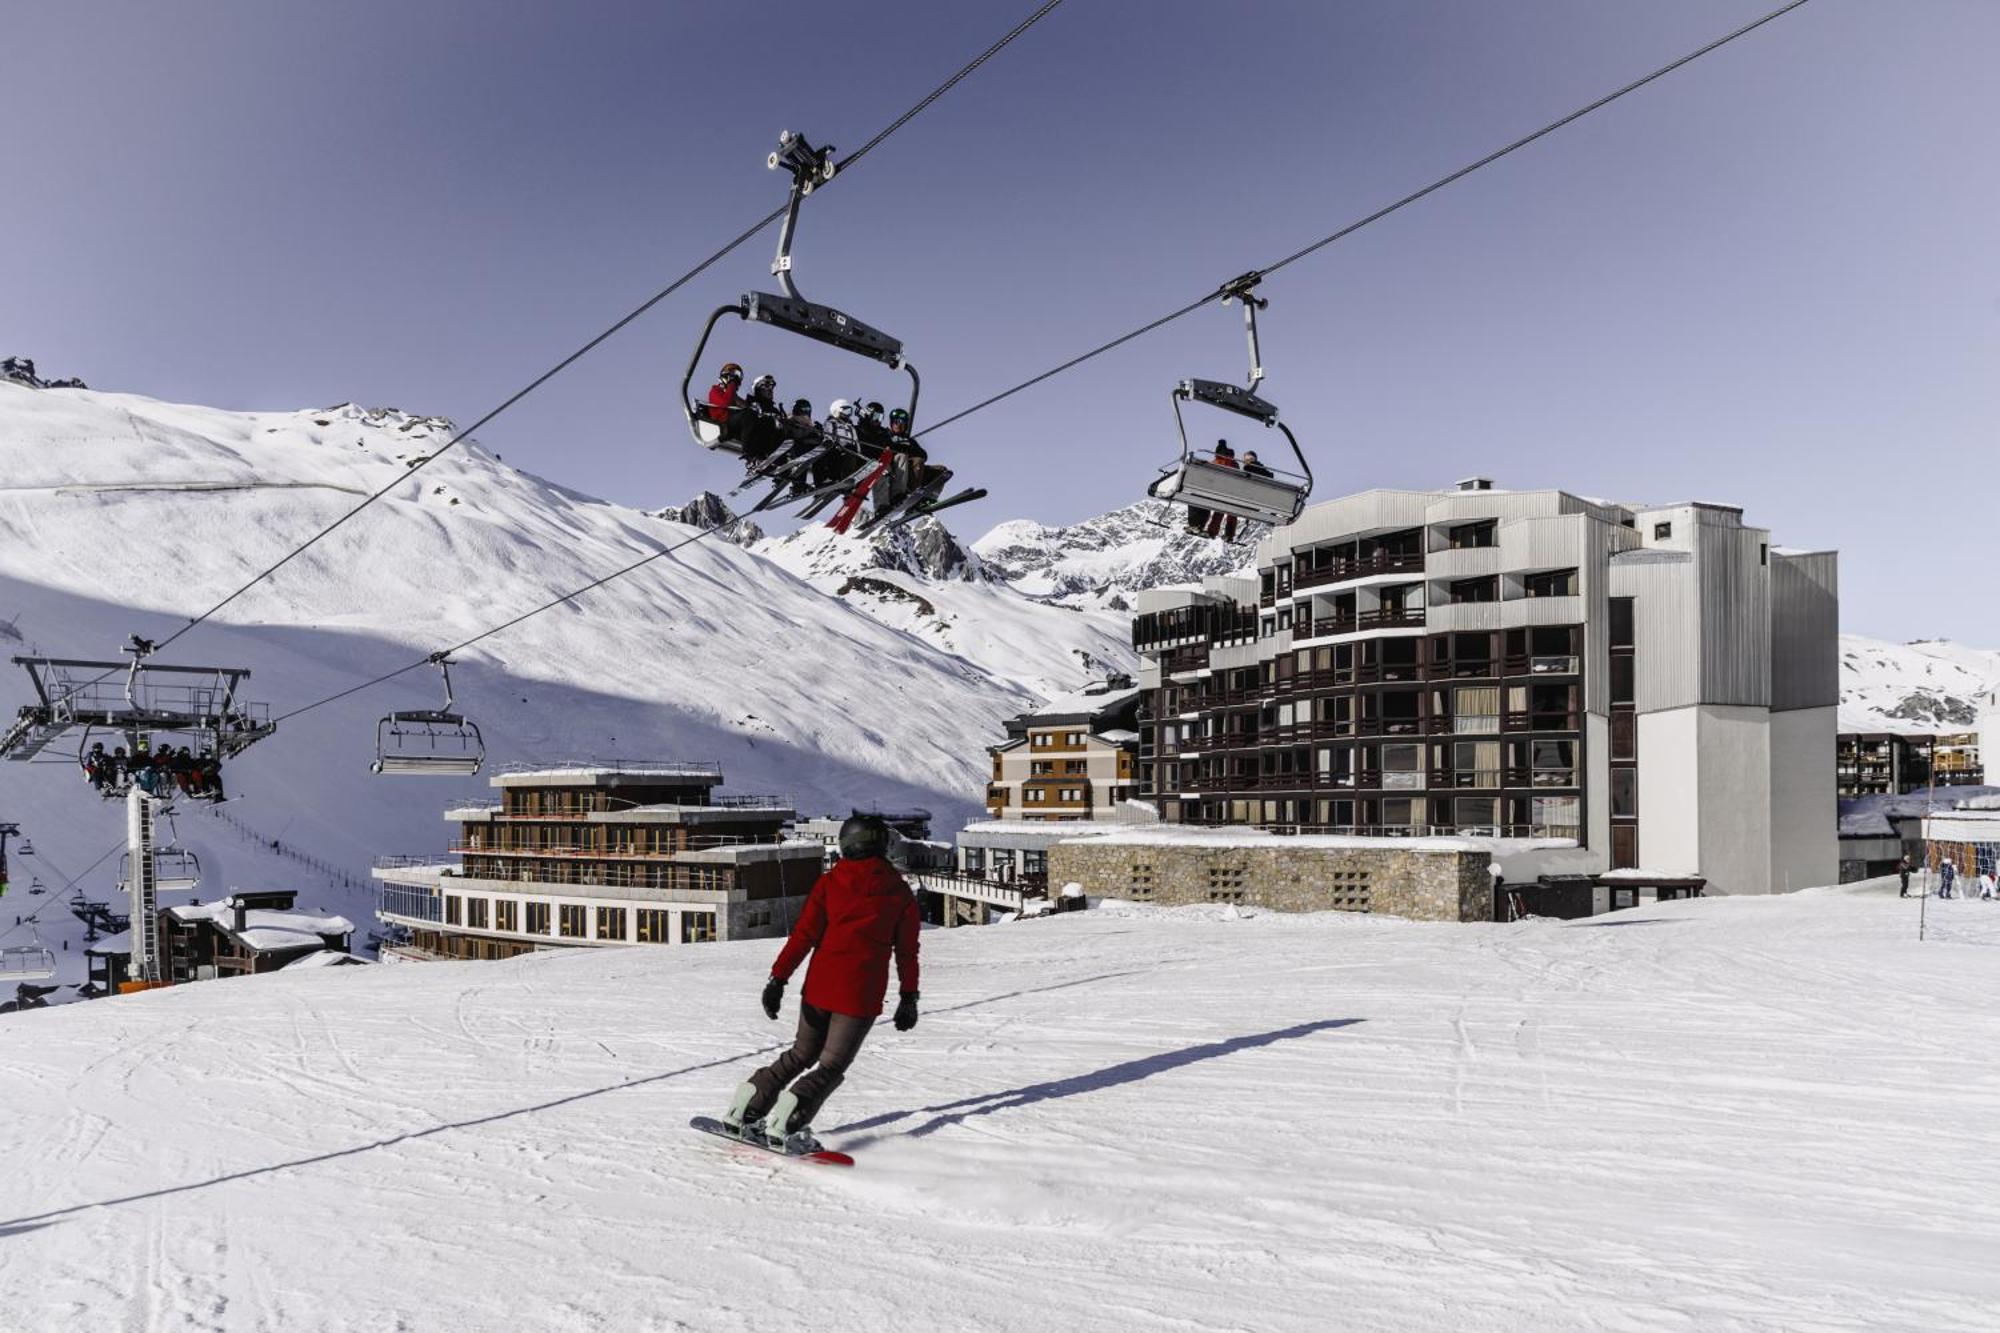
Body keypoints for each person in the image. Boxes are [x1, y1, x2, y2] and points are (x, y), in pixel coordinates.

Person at [723, 814, 919, 1151]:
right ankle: (788, 1120)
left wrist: (778, 979)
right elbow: (906, 952)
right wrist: (909, 996)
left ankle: (746, 1107)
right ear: (881, 844)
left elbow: (804, 936)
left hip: (818, 988)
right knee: (830, 1066)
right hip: (858, 996)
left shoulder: (830, 883)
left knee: (800, 1054)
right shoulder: (899, 893)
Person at [1205, 441, 1240, 542]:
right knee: (1231, 512)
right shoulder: (1233, 463)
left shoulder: (1216, 462)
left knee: (1219, 511)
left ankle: (1212, 531)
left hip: (1218, 491)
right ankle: (1229, 534)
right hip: (1232, 493)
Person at [704, 362, 744, 432]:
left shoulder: (733, 395)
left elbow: (745, 407)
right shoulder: (715, 390)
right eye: (732, 374)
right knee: (748, 417)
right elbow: (726, 402)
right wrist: (731, 383)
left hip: (733, 424)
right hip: (722, 425)